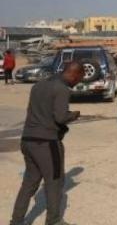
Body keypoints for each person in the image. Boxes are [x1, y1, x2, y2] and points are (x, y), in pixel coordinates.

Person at [10, 61, 83, 225]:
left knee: (29, 183)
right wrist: (74, 115)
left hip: (27, 140)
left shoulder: (38, 85)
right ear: (74, 73)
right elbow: (61, 117)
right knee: (54, 182)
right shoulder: (62, 89)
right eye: (79, 78)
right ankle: (54, 221)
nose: (78, 82)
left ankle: (16, 221)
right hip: (47, 143)